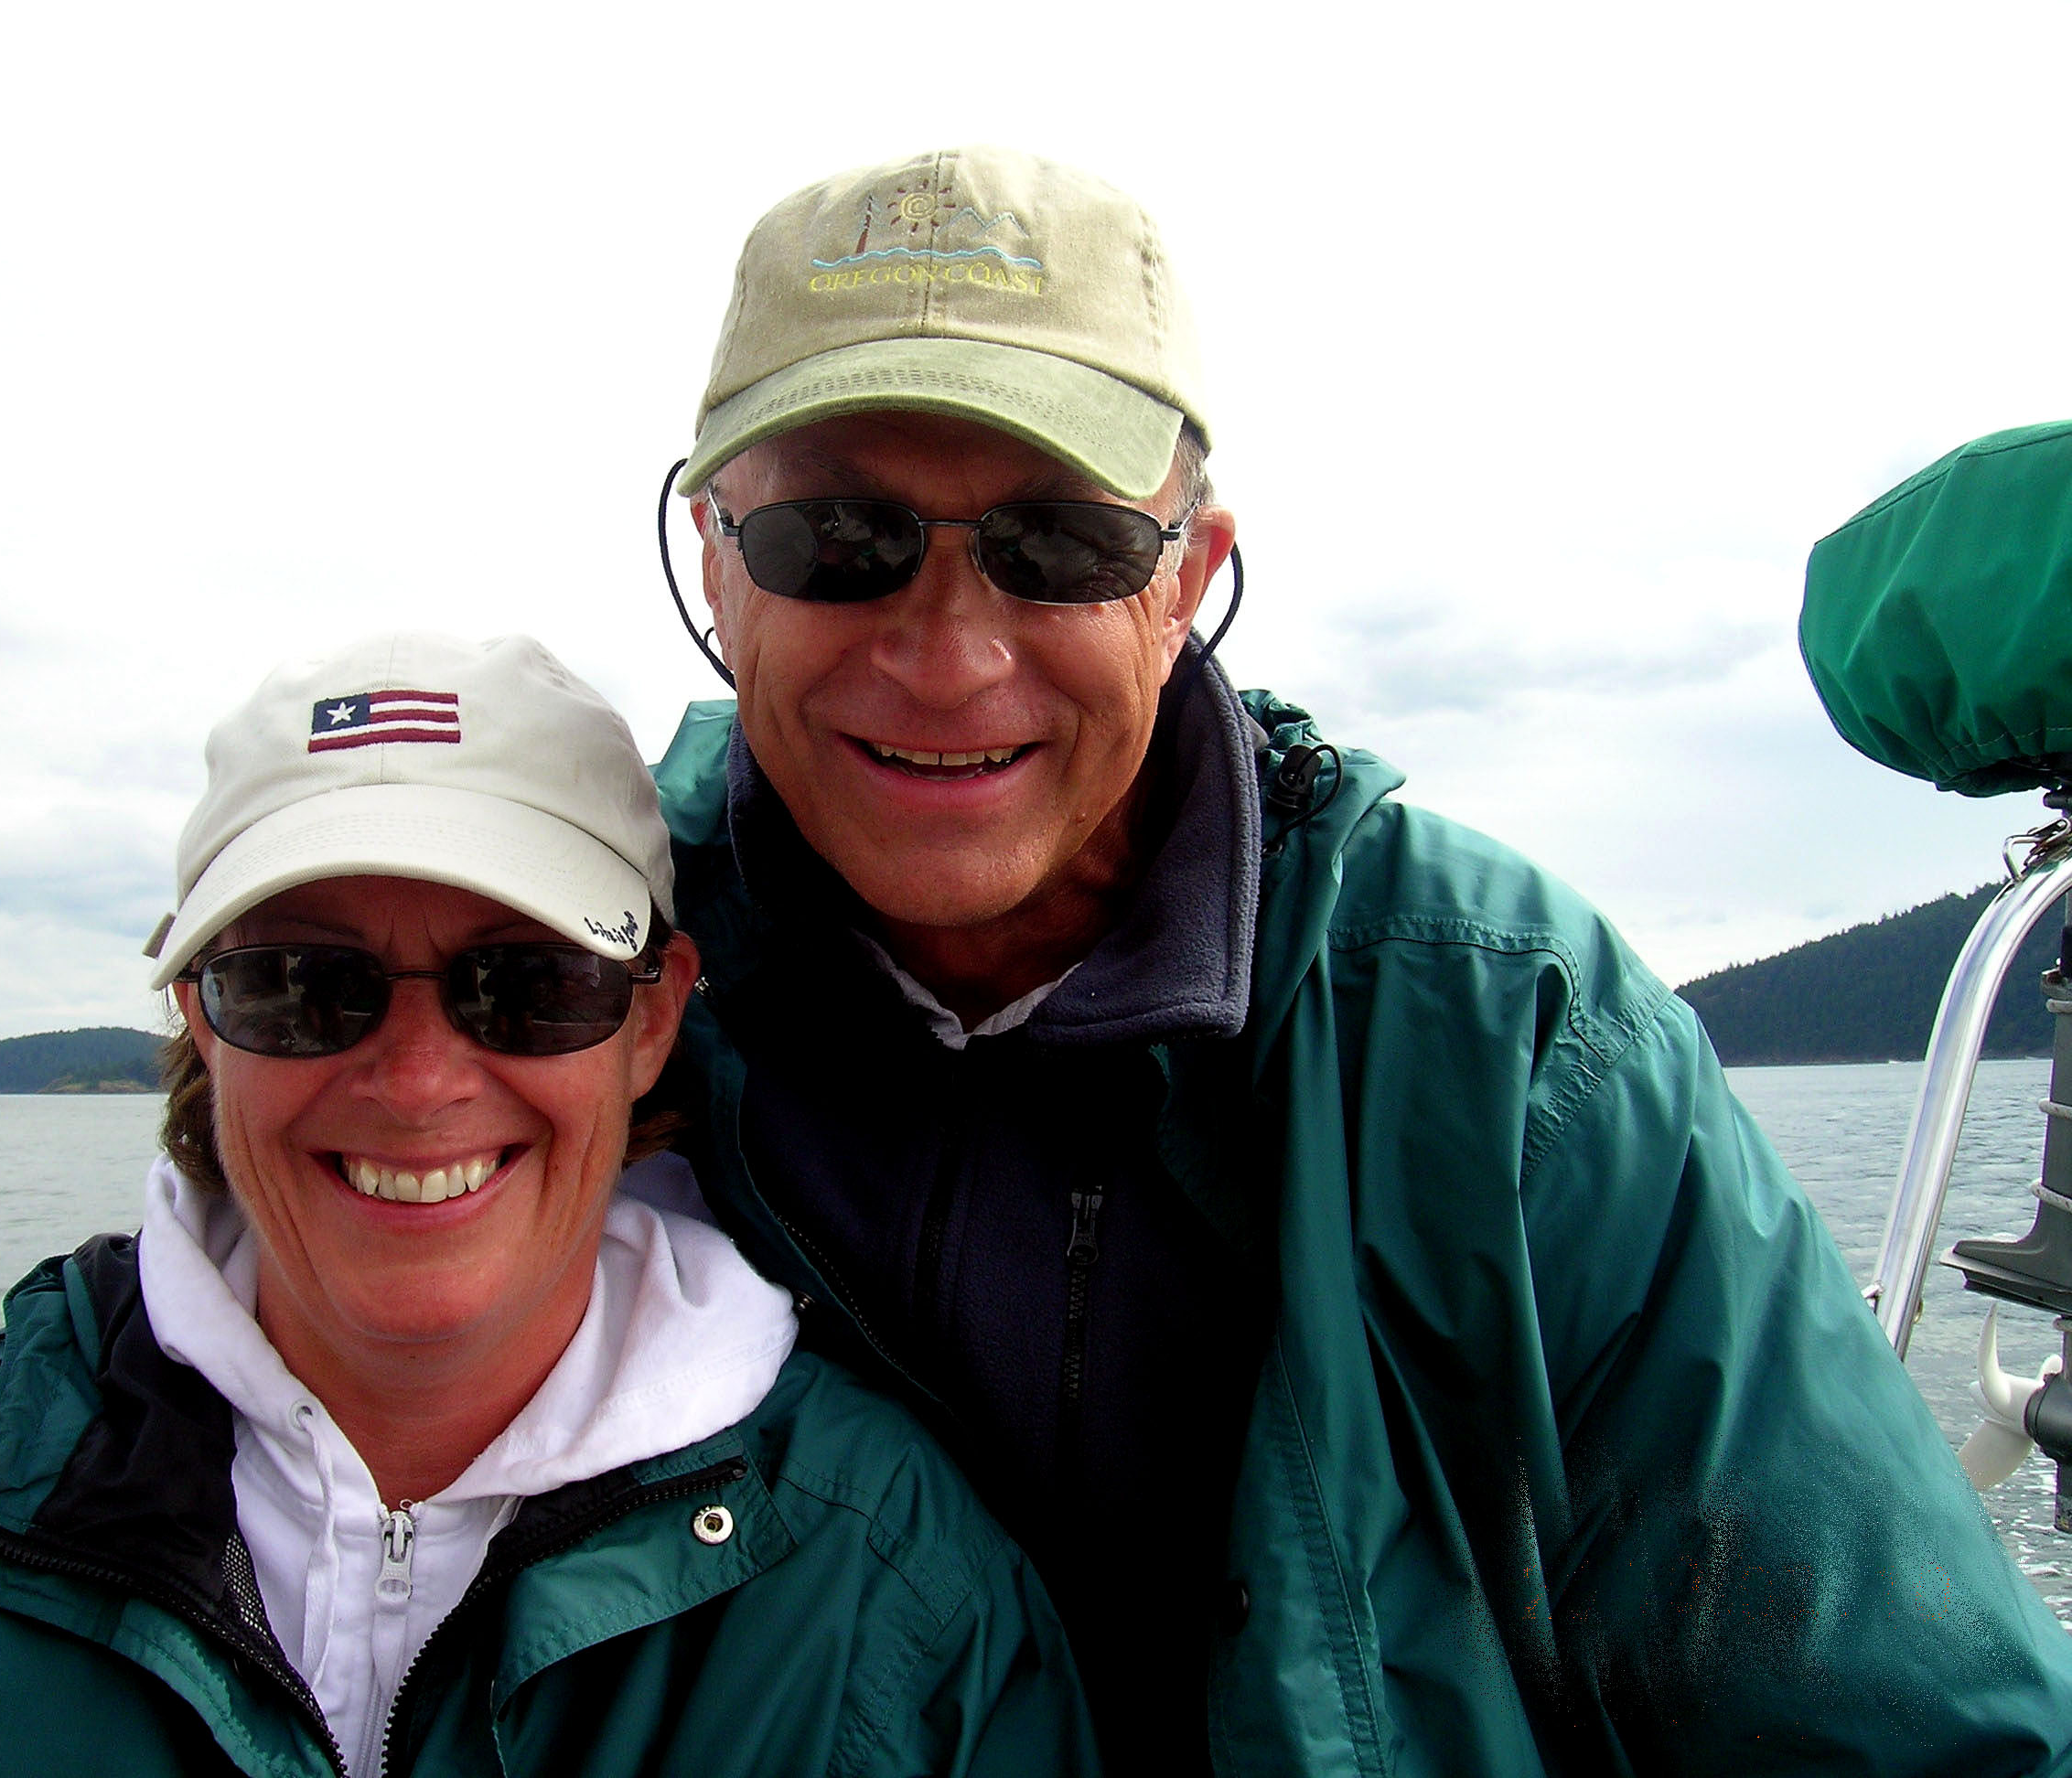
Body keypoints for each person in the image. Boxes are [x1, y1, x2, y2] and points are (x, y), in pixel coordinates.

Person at [650, 145, 2072, 1773]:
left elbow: (1890, 1724)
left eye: (1062, 546)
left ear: (1186, 577)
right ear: (716, 560)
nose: (951, 651)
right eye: (839, 542)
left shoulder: (1506, 1031)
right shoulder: (531, 992)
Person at [0, 632, 1098, 1777]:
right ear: (201, 1015)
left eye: (528, 984)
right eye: (305, 986)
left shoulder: (885, 1580)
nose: (421, 1081)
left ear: (650, 1021)